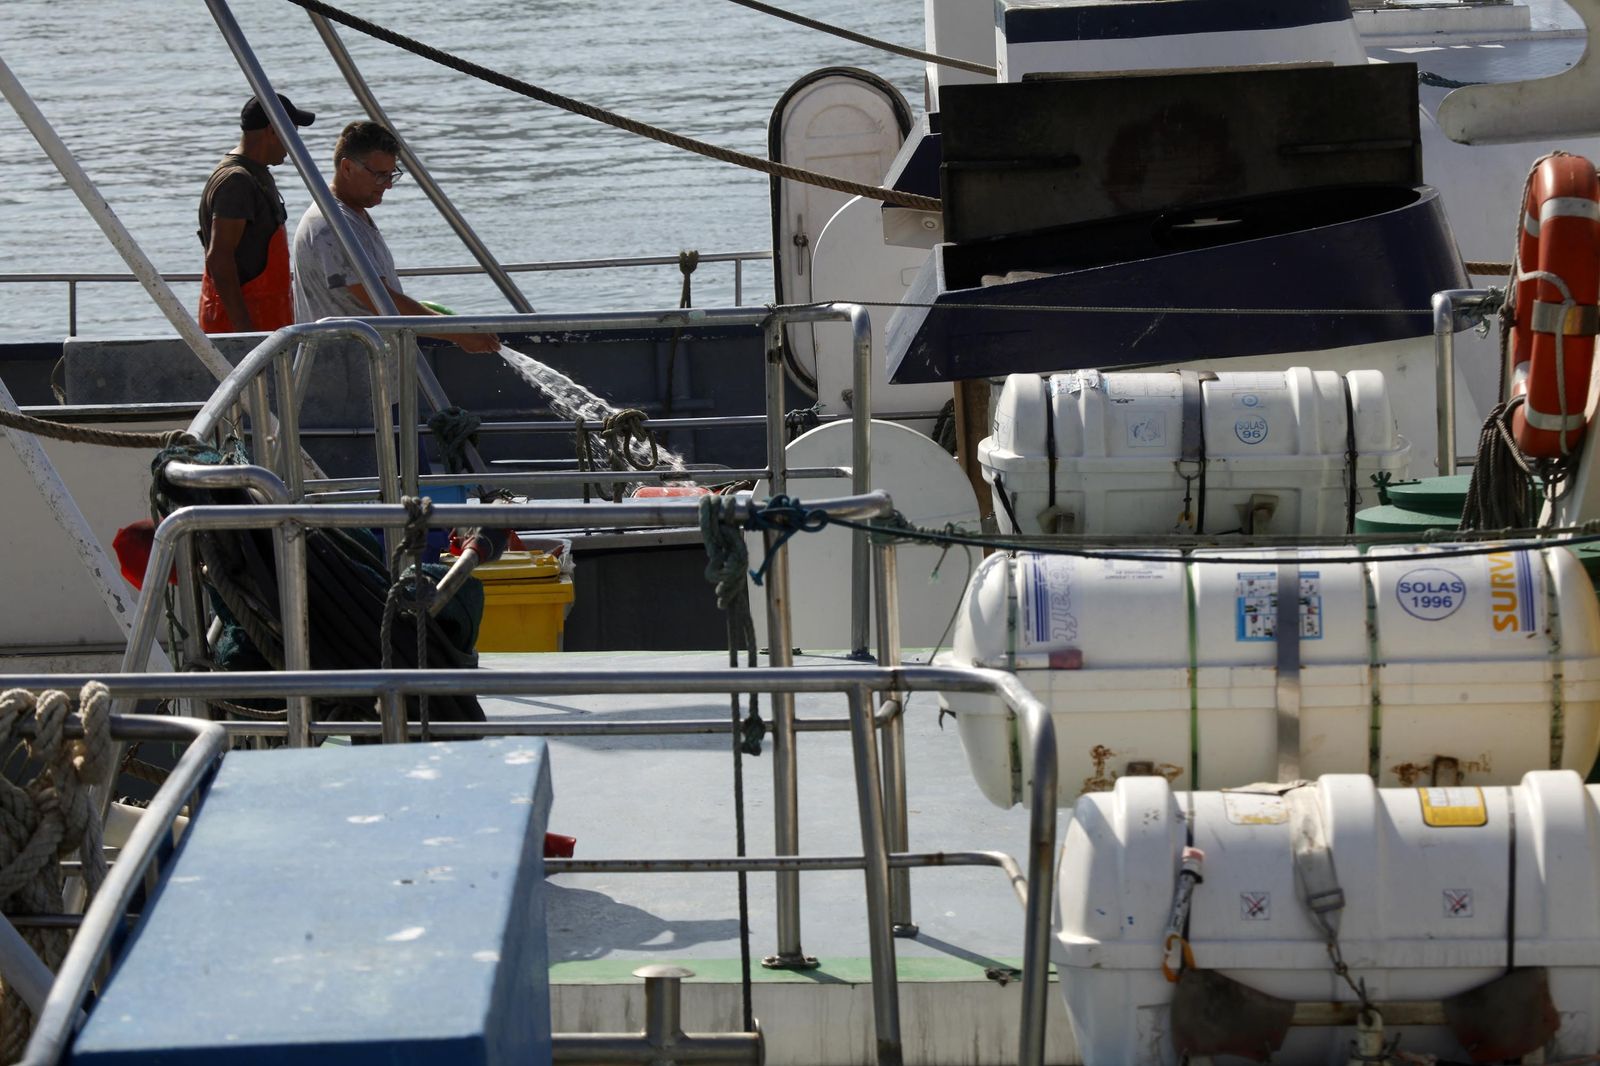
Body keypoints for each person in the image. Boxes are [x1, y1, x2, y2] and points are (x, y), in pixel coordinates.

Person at [291, 120, 499, 364]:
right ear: (347, 168)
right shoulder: (330, 226)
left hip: (373, 373)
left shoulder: (353, 215)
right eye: (380, 175)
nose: (388, 185)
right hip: (346, 380)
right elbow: (382, 300)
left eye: (392, 175)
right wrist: (458, 333)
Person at [197, 93, 315, 333]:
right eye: (292, 131)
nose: (295, 142)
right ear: (272, 130)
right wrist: (246, 335)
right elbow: (219, 259)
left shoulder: (255, 173)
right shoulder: (236, 181)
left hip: (268, 323)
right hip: (242, 330)